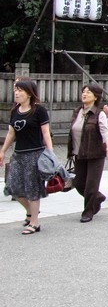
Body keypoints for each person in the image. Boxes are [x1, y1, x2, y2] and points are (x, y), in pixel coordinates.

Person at [0, 79, 53, 235]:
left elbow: (46, 133)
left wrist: (50, 153)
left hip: (35, 154)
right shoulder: (15, 111)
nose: (16, 93)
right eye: (15, 90)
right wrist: (3, 151)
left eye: (20, 90)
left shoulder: (39, 111)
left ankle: (34, 223)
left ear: (29, 93)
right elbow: (11, 133)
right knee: (12, 187)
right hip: (18, 154)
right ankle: (31, 212)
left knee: (32, 188)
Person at [69, 83, 108, 223]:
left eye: (88, 92)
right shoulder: (77, 111)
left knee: (91, 185)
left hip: (95, 154)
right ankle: (98, 197)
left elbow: (104, 131)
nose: (84, 94)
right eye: (83, 91)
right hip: (79, 153)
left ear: (96, 97)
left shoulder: (99, 114)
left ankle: (88, 211)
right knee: (78, 183)